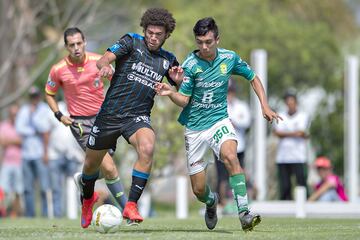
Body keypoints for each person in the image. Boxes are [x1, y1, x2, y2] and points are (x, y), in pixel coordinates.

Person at [156, 17, 281, 231]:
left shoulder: (229, 58)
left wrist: (265, 105)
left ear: (217, 39)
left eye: (208, 42)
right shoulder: (191, 65)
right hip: (195, 129)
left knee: (231, 156)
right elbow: (183, 100)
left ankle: (244, 213)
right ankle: (211, 202)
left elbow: (253, 77)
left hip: (219, 121)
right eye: (199, 42)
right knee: (198, 190)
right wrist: (170, 93)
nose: (204, 47)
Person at [79, 8, 183, 228]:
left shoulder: (169, 60)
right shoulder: (131, 42)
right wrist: (105, 66)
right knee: (90, 167)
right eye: (150, 32)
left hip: (137, 117)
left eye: (158, 34)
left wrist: (178, 83)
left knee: (147, 147)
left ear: (166, 35)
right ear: (144, 30)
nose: (153, 37)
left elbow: (182, 95)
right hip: (110, 115)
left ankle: (131, 205)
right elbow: (103, 59)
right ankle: (87, 200)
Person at [45, 27, 128, 216]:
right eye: (71, 45)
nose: (76, 48)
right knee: (108, 166)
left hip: (104, 119)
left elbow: (117, 81)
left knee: (103, 166)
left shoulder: (98, 61)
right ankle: (127, 210)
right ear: (66, 46)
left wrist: (112, 79)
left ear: (85, 42)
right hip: (80, 123)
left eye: (79, 43)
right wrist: (59, 115)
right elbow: (49, 93)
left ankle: (84, 179)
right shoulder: (58, 69)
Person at [213, 79, 254, 214]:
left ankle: (241, 202)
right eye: (227, 91)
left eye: (231, 91)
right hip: (220, 146)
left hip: (239, 146)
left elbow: (247, 122)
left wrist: (233, 122)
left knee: (238, 172)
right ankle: (222, 202)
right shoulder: (218, 105)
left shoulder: (242, 106)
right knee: (222, 176)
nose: (229, 94)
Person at [15, 86, 51, 217]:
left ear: (39, 96)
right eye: (32, 97)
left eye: (36, 96)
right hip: (26, 154)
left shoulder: (45, 109)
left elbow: (45, 128)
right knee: (27, 188)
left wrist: (33, 118)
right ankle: (30, 215)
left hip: (40, 153)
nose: (34, 99)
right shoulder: (24, 110)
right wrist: (34, 130)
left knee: (43, 187)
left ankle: (45, 214)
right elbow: (19, 128)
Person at [47, 101, 82, 217]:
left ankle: (72, 215)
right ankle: (57, 215)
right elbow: (46, 131)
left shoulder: (79, 107)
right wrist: (45, 152)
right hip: (55, 154)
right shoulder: (57, 107)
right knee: (56, 187)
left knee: (73, 186)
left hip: (73, 155)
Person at [273, 90, 310, 200]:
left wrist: (285, 133)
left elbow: (302, 132)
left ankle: (303, 207)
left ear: (296, 102)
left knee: (301, 184)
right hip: (283, 157)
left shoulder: (303, 116)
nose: (290, 104)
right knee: (285, 187)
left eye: (292, 102)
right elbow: (277, 133)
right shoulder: (280, 115)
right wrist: (295, 133)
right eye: (288, 102)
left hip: (299, 156)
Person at [0, 104, 23, 217]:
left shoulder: (21, 126)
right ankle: (3, 212)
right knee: (3, 189)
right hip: (7, 162)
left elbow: (23, 141)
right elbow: (2, 142)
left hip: (19, 162)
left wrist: (10, 140)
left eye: (16, 114)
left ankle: (15, 213)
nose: (14, 116)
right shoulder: (3, 125)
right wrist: (15, 141)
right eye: (12, 113)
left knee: (18, 190)